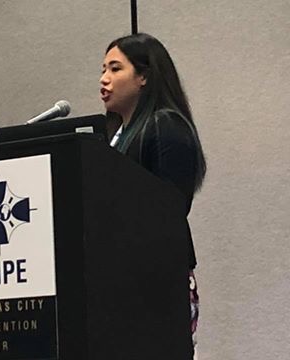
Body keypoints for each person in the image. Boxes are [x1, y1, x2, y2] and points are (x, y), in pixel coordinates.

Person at [100, 33, 206, 353]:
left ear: (144, 76)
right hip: (123, 282)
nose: (104, 78)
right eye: (103, 69)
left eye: (116, 69)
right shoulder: (112, 139)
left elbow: (169, 210)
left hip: (157, 283)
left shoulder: (166, 125)